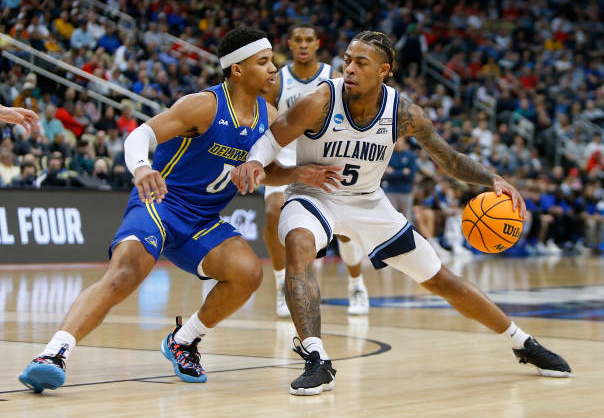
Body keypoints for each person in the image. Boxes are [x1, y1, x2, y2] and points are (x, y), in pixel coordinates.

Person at [232, 31, 571, 396]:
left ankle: (522, 342)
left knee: (441, 279)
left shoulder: (404, 112)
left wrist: (493, 179)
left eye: (361, 63)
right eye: (347, 59)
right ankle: (316, 358)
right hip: (316, 196)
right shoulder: (321, 100)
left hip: (368, 202)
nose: (349, 68)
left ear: (384, 71)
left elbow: (450, 159)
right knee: (298, 244)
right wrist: (253, 161)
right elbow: (271, 139)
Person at [18, 27, 340, 394]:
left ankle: (183, 340)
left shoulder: (267, 114)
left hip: (203, 222)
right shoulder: (203, 105)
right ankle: (53, 354)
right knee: (124, 274)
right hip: (161, 204)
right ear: (236, 69)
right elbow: (140, 135)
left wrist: (299, 173)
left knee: (249, 273)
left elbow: (262, 171)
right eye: (263, 62)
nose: (272, 69)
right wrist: (141, 167)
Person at [263, 22, 369, 317]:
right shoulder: (278, 81)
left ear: (317, 43)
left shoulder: (332, 77)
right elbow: (268, 123)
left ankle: (356, 284)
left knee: (345, 231)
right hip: (285, 158)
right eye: (298, 40)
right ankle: (282, 285)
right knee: (273, 213)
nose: (304, 44)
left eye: (309, 39)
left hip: (324, 159)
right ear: (290, 43)